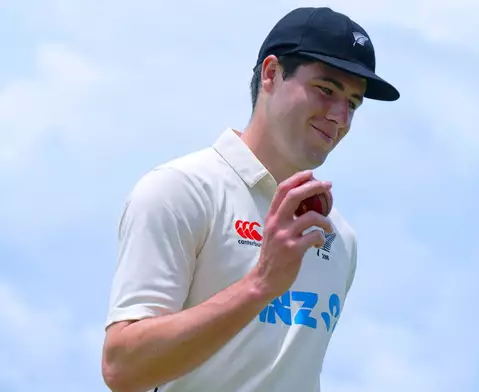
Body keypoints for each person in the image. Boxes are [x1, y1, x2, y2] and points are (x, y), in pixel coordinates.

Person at [101, 6, 400, 392]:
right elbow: (123, 369)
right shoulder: (180, 190)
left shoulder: (339, 236)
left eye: (354, 103)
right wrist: (261, 283)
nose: (341, 116)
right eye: (327, 90)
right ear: (271, 74)